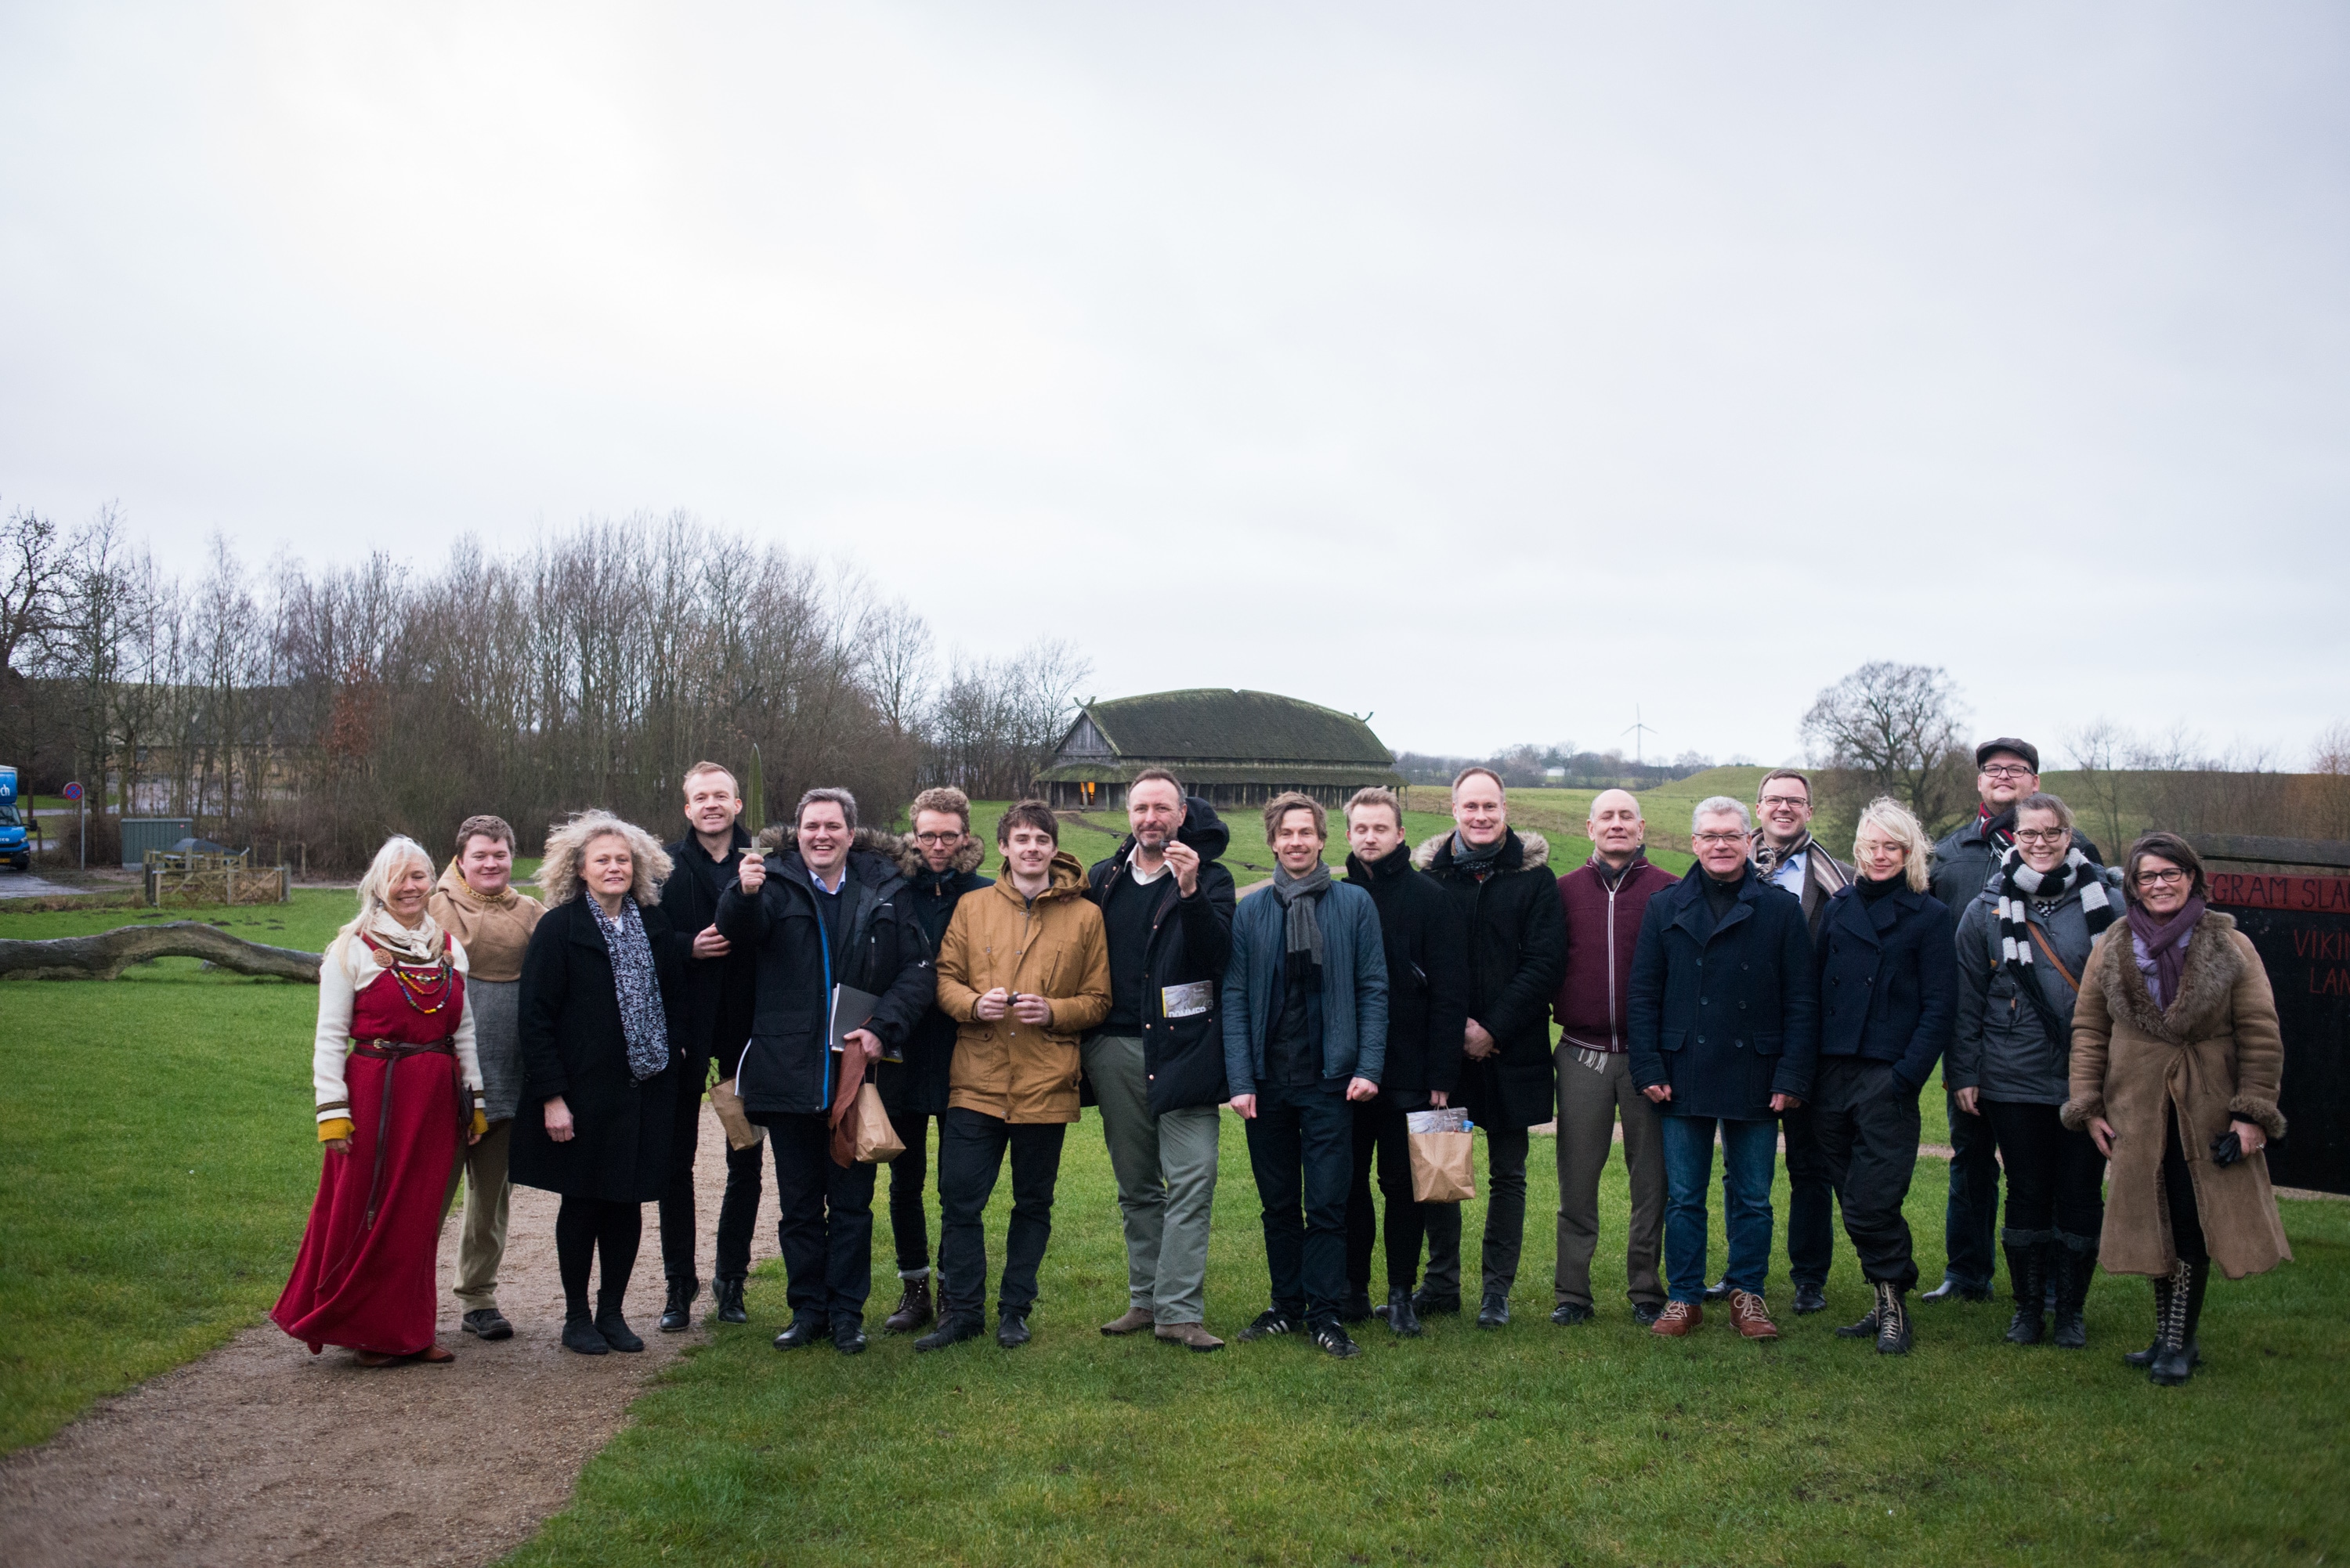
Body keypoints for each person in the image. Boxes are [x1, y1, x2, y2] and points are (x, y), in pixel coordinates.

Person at [2066, 833, 2292, 1387]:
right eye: (2148, 876)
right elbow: (2090, 1029)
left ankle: (2179, 1341)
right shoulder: (2113, 944)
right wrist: (2088, 1104)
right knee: (2154, 1215)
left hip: (2207, 1105)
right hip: (2136, 1107)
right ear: (2133, 885)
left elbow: (2261, 1033)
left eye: (2171, 873)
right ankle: (2164, 1334)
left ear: (2192, 878)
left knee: (2192, 1219)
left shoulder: (2229, 944)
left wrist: (2252, 1114)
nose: (2160, 884)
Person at [719, 788, 936, 1355]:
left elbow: (918, 970)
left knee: (851, 1205)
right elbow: (739, 931)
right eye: (812, 826)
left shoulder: (886, 889)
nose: (822, 836)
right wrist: (743, 894)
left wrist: (882, 1027)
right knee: (798, 1207)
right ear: (798, 834)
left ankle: (846, 1315)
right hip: (788, 1069)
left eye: (832, 826)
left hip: (855, 1070)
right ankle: (807, 1311)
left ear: (850, 833)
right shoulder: (772, 882)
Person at [273, 836, 487, 1366]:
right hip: (377, 1094)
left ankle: (409, 1331)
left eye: (419, 876)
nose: (410, 887)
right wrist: (333, 1114)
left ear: (432, 881)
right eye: (399, 877)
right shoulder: (351, 949)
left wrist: (475, 1102)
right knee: (369, 1210)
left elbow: (464, 1032)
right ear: (378, 884)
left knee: (417, 1216)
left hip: (435, 1099)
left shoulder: (448, 947)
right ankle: (367, 1331)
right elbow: (329, 1037)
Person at [917, 800, 1111, 1352]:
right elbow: (945, 979)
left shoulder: (1086, 916)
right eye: (1021, 839)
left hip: (1046, 1082)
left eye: (1041, 840)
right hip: (976, 1080)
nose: (1031, 848)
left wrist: (1053, 1011)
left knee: (1033, 1203)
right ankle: (962, 1313)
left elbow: (1099, 1000)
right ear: (1003, 847)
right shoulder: (972, 906)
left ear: (1054, 848)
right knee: (960, 1202)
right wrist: (974, 1004)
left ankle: (1014, 1311)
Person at [1627, 797, 1818, 1342]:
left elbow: (1802, 1000)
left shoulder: (1780, 909)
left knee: (1753, 1196)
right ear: (1694, 843)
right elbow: (1643, 994)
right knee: (1685, 1196)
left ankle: (1747, 1294)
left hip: (1756, 1070)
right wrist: (1648, 1066)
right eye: (1710, 836)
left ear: (1748, 841)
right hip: (1681, 1068)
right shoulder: (1665, 906)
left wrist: (1791, 1075)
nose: (1720, 845)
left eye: (1731, 835)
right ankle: (1684, 1297)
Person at [1925, 737, 2100, 1304]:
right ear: (1979, 781)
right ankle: (1967, 1271)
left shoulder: (2080, 853)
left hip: (2058, 1042)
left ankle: (2050, 1282)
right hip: (1980, 1034)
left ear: (2035, 782)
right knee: (1971, 1158)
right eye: (1992, 769)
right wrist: (1961, 1060)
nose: (2004, 776)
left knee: (2051, 1169)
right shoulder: (1950, 854)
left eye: (2017, 769)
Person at [1950, 791, 2121, 1349]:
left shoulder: (2109, 905)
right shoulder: (1985, 909)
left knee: (2080, 1193)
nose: (2040, 843)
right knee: (2025, 1191)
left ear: (2069, 836)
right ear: (2014, 838)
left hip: (2089, 1077)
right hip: (2011, 1075)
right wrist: (1964, 1073)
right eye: (2029, 834)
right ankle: (2027, 1310)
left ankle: (2069, 1310)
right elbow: (1967, 998)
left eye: (2052, 833)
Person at [511, 811, 684, 1357]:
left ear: (637, 868)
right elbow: (535, 1018)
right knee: (584, 1203)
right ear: (580, 869)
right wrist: (552, 1098)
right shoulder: (559, 929)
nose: (614, 868)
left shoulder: (653, 924)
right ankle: (577, 1316)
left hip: (642, 1089)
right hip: (583, 1094)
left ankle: (612, 1312)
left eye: (623, 860)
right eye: (603, 860)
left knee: (626, 1202)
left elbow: (674, 998)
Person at [1224, 792, 1388, 1359]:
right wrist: (1240, 1080)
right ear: (1272, 842)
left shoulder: (1354, 904)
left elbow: (1373, 987)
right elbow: (1236, 996)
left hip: (1330, 1081)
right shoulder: (1251, 911)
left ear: (1322, 840)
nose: (1296, 842)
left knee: (1326, 1205)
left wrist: (1368, 1066)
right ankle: (1285, 1306)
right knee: (1277, 1204)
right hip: (1267, 1082)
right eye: (1286, 833)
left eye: (1306, 832)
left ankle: (1325, 1312)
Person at [1083, 769, 1236, 1353]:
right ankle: (1145, 1302)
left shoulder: (1211, 878)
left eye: (1162, 808)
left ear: (1182, 814)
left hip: (1186, 1050)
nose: (1151, 818)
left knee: (1193, 1178)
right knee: (1138, 1186)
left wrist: (1190, 891)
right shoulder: (1104, 879)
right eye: (1141, 808)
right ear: (1129, 815)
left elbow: (1216, 956)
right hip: (1116, 1049)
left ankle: (1180, 1312)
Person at [1411, 767, 1567, 1328]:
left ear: (1505, 810)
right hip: (1442, 1052)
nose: (1481, 816)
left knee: (1508, 1174)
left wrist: (1492, 1029)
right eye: (1471, 806)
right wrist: (1456, 1028)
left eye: (1490, 806)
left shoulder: (1536, 880)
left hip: (1512, 1050)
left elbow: (1545, 963)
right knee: (1440, 1167)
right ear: (1453, 810)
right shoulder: (1429, 878)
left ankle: (1496, 1292)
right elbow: (1416, 962)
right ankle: (1441, 1284)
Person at [1808, 798, 1956, 1356]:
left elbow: (1940, 1006)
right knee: (1852, 1198)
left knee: (1874, 1200)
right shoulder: (1839, 907)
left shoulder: (1929, 916)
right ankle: (1882, 1299)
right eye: (1871, 845)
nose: (1879, 855)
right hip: (1831, 1073)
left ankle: (1895, 1307)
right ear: (1858, 848)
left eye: (1891, 846)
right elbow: (1815, 989)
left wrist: (1906, 1076)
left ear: (1909, 851)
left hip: (1885, 1075)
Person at [1340, 786, 1468, 1337]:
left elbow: (1450, 992)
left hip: (1411, 1069)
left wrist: (1441, 1073)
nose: (1370, 837)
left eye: (1380, 828)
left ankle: (1400, 1294)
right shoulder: (1337, 896)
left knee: (1403, 1185)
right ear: (1348, 835)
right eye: (1361, 828)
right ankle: (1352, 1289)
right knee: (1348, 1184)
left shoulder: (1430, 898)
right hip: (1345, 1069)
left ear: (1400, 834)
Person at [1549, 788, 1677, 1328]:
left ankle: (1646, 1289)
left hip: (1649, 1059)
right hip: (1583, 1054)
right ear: (1590, 827)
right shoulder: (1561, 892)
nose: (1617, 824)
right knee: (1577, 1182)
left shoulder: (1671, 889)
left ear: (1642, 827)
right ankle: (1572, 1294)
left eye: (1627, 816)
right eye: (1607, 816)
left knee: (1651, 1183)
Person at [1730, 768, 1853, 1316]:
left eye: (1795, 801)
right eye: (1774, 799)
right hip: (1740, 1040)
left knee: (1810, 1167)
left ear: (1809, 811)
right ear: (1758, 808)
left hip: (1809, 1039)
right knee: (1740, 1167)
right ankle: (1739, 1273)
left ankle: (1809, 1277)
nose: (1784, 808)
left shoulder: (1840, 881)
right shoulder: (1727, 868)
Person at [877, 786, 992, 1335]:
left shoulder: (986, 893)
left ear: (965, 836)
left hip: (962, 1051)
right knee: (905, 1180)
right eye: (928, 836)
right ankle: (914, 1286)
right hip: (902, 1052)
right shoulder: (893, 889)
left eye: (949, 836)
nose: (938, 846)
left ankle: (951, 1286)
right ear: (914, 835)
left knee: (956, 1185)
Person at [428, 814, 544, 1343]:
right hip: (445, 1080)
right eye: (481, 855)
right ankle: (404, 1299)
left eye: (500, 854)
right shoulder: (432, 910)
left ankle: (478, 1298)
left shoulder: (533, 913)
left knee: (491, 1199)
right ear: (460, 860)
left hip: (509, 1077)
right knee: (427, 1195)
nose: (492, 864)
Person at [653, 762, 760, 1331]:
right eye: (701, 797)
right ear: (688, 808)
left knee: (746, 1155)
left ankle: (731, 1279)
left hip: (746, 1030)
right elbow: (643, 935)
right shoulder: (662, 866)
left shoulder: (763, 861)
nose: (712, 804)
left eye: (721, 795)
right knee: (677, 1162)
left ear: (737, 804)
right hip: (684, 1030)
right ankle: (679, 1284)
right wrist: (685, 947)